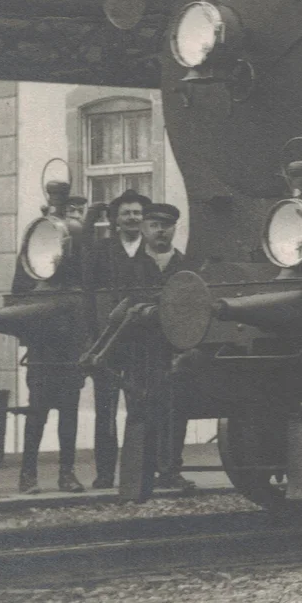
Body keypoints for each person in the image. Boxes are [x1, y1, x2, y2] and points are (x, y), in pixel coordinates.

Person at [14, 197, 90, 494]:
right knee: (37, 413)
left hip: (70, 347)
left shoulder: (80, 257)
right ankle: (27, 474)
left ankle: (66, 474)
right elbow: (19, 298)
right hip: (43, 349)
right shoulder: (32, 255)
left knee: (69, 413)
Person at [134, 203, 200, 491]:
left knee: (175, 410)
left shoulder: (187, 267)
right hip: (140, 350)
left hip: (176, 350)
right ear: (143, 228)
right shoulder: (130, 266)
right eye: (154, 225)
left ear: (174, 229)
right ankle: (140, 472)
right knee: (142, 410)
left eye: (166, 225)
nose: (160, 231)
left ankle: (170, 469)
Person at [88, 190, 150, 489]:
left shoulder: (152, 250)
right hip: (109, 341)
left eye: (137, 213)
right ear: (116, 219)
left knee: (140, 405)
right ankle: (104, 473)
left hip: (141, 341)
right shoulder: (102, 251)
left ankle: (138, 473)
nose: (132, 218)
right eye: (126, 213)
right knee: (105, 410)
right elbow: (90, 295)